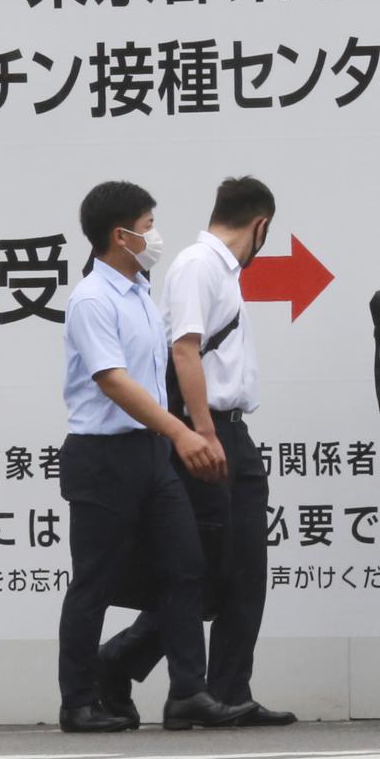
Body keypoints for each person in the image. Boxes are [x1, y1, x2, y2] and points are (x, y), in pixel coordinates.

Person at [97, 177, 293, 726]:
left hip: (234, 433)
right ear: (261, 226)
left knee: (246, 572)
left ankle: (229, 692)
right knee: (203, 573)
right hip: (207, 433)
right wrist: (203, 432)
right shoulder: (197, 266)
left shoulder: (219, 272)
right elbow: (183, 350)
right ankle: (118, 662)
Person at [54, 181, 247, 733]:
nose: (153, 235)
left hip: (151, 455)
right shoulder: (92, 299)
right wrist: (182, 434)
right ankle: (79, 701)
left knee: (186, 568)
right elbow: (112, 381)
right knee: (94, 582)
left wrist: (175, 434)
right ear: (120, 235)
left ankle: (189, 691)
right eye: (146, 224)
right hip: (102, 458)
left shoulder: (138, 291)